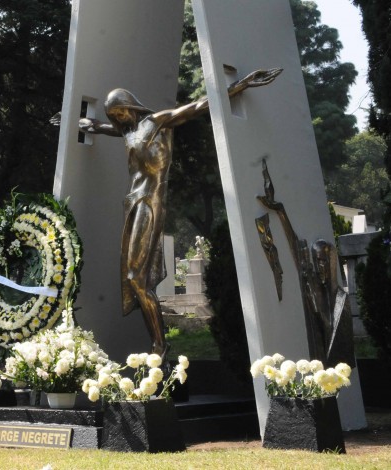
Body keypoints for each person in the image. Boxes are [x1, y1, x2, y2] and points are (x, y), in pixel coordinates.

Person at [80, 68, 282, 356]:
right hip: (132, 203)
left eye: (121, 112)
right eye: (114, 116)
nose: (119, 119)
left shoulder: (156, 122)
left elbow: (196, 107)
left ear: (131, 106)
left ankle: (160, 345)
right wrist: (86, 123)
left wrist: (238, 86)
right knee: (133, 278)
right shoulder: (126, 131)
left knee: (136, 277)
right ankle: (158, 344)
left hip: (150, 201)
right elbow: (106, 128)